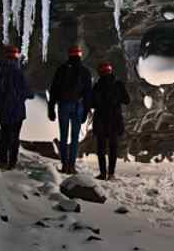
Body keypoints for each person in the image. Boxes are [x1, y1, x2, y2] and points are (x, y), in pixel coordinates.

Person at [48, 45, 92, 175]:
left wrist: (51, 108)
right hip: (78, 106)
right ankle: (71, 165)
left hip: (64, 105)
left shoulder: (61, 70)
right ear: (79, 56)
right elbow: (88, 93)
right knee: (74, 137)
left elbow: (54, 89)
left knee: (63, 135)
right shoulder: (85, 71)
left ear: (69, 55)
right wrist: (85, 111)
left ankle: (64, 164)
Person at [88, 61, 130, 180]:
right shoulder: (118, 84)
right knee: (113, 148)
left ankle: (102, 173)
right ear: (110, 71)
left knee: (101, 148)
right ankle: (111, 174)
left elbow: (92, 103)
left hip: (101, 120)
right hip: (114, 120)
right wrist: (117, 99)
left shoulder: (97, 86)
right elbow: (127, 100)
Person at [0, 44, 31, 170]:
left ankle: (3, 160)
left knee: (4, 135)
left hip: (3, 110)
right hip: (17, 110)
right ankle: (12, 163)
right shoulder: (18, 73)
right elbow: (27, 92)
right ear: (16, 56)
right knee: (14, 137)